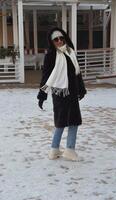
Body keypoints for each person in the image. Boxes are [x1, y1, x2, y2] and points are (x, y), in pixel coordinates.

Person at [37, 27, 86, 161]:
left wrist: (81, 89)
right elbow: (46, 76)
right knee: (61, 122)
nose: (59, 41)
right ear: (51, 41)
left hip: (72, 92)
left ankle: (62, 150)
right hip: (60, 93)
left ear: (64, 38)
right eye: (56, 39)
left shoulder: (71, 52)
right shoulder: (51, 56)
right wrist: (42, 95)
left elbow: (77, 73)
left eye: (61, 38)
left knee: (73, 121)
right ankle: (59, 149)